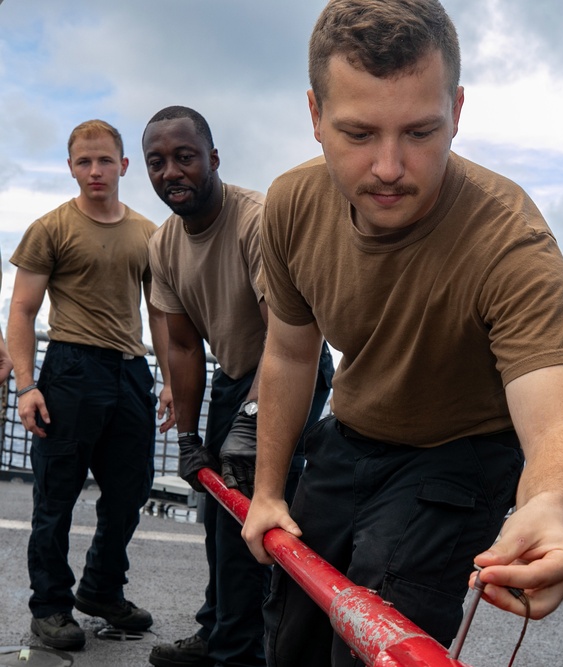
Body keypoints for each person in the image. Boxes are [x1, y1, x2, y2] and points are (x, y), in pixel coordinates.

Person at [240, 1, 563, 664]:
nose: (388, 166)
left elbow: (559, 426)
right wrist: (266, 493)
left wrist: (547, 504)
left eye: (420, 131)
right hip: (348, 437)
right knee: (291, 625)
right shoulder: (291, 205)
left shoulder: (510, 244)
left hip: (457, 456)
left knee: (379, 633)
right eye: (357, 133)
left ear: (457, 111)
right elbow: (291, 351)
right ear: (315, 117)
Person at [141, 106, 334, 667]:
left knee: (249, 506)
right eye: (157, 162)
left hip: (294, 365)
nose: (171, 172)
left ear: (213, 159)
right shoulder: (163, 245)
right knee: (218, 514)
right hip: (233, 374)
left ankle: (241, 654)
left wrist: (252, 423)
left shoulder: (257, 219)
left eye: (185, 157)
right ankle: (218, 630)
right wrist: (186, 436)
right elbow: (180, 347)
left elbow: (290, 338)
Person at [7, 119, 173, 651]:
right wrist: (28, 385)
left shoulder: (149, 232)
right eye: (84, 161)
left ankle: (102, 589)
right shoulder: (51, 227)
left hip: (130, 371)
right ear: (72, 167)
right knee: (55, 499)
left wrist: (170, 379)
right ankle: (51, 608)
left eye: (105, 161)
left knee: (129, 492)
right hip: (70, 369)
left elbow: (160, 312)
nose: (95, 170)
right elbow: (23, 309)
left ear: (123, 166)